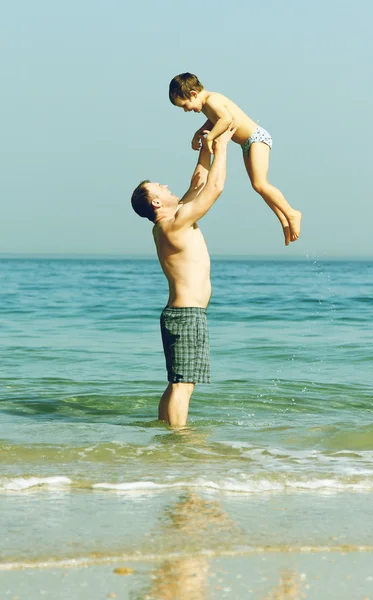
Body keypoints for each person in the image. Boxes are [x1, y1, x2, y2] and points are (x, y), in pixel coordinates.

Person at [131, 124, 235, 427]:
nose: (165, 185)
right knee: (183, 384)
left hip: (181, 313)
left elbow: (199, 181)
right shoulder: (173, 225)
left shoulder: (170, 221)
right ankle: (178, 441)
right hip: (187, 314)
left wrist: (206, 146)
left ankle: (166, 434)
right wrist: (225, 146)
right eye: (159, 187)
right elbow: (214, 189)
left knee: (177, 381)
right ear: (156, 202)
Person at [169, 72, 302, 247]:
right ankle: (284, 220)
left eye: (185, 105)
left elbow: (226, 119)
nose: (186, 110)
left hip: (256, 138)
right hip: (246, 144)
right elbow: (213, 121)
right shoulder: (207, 105)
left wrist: (210, 139)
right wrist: (198, 132)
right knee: (257, 186)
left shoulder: (212, 100)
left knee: (261, 184)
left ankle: (292, 213)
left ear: (193, 94)